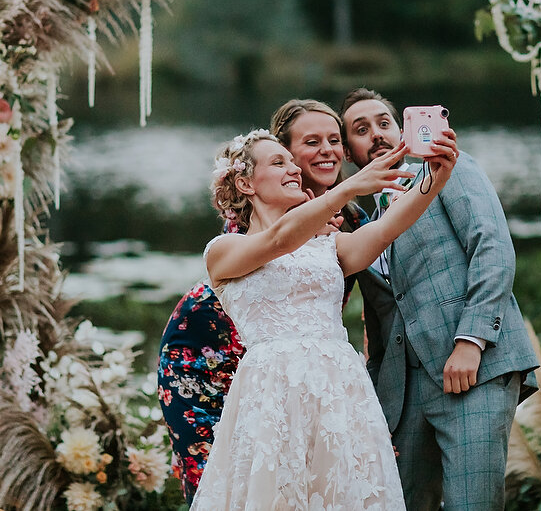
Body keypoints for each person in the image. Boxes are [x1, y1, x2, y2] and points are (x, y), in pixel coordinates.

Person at [190, 127, 457, 509]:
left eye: (291, 162)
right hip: (273, 393)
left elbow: (383, 231)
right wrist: (347, 189)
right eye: (279, 162)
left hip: (339, 389)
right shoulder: (225, 250)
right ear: (246, 183)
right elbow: (278, 241)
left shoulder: (327, 245)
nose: (295, 169)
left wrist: (435, 177)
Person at [339, 87, 539, 511]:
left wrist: (471, 341)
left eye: (383, 123)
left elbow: (494, 249)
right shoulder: (364, 230)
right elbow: (381, 319)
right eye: (361, 129)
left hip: (474, 371)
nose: (375, 133)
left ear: (403, 131)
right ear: (349, 153)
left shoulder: (447, 170)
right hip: (405, 394)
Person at [157, 99, 352, 503]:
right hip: (208, 352)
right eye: (311, 142)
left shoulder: (349, 217)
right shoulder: (258, 210)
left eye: (335, 140)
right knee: (229, 484)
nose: (326, 151)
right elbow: (273, 247)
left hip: (289, 370)